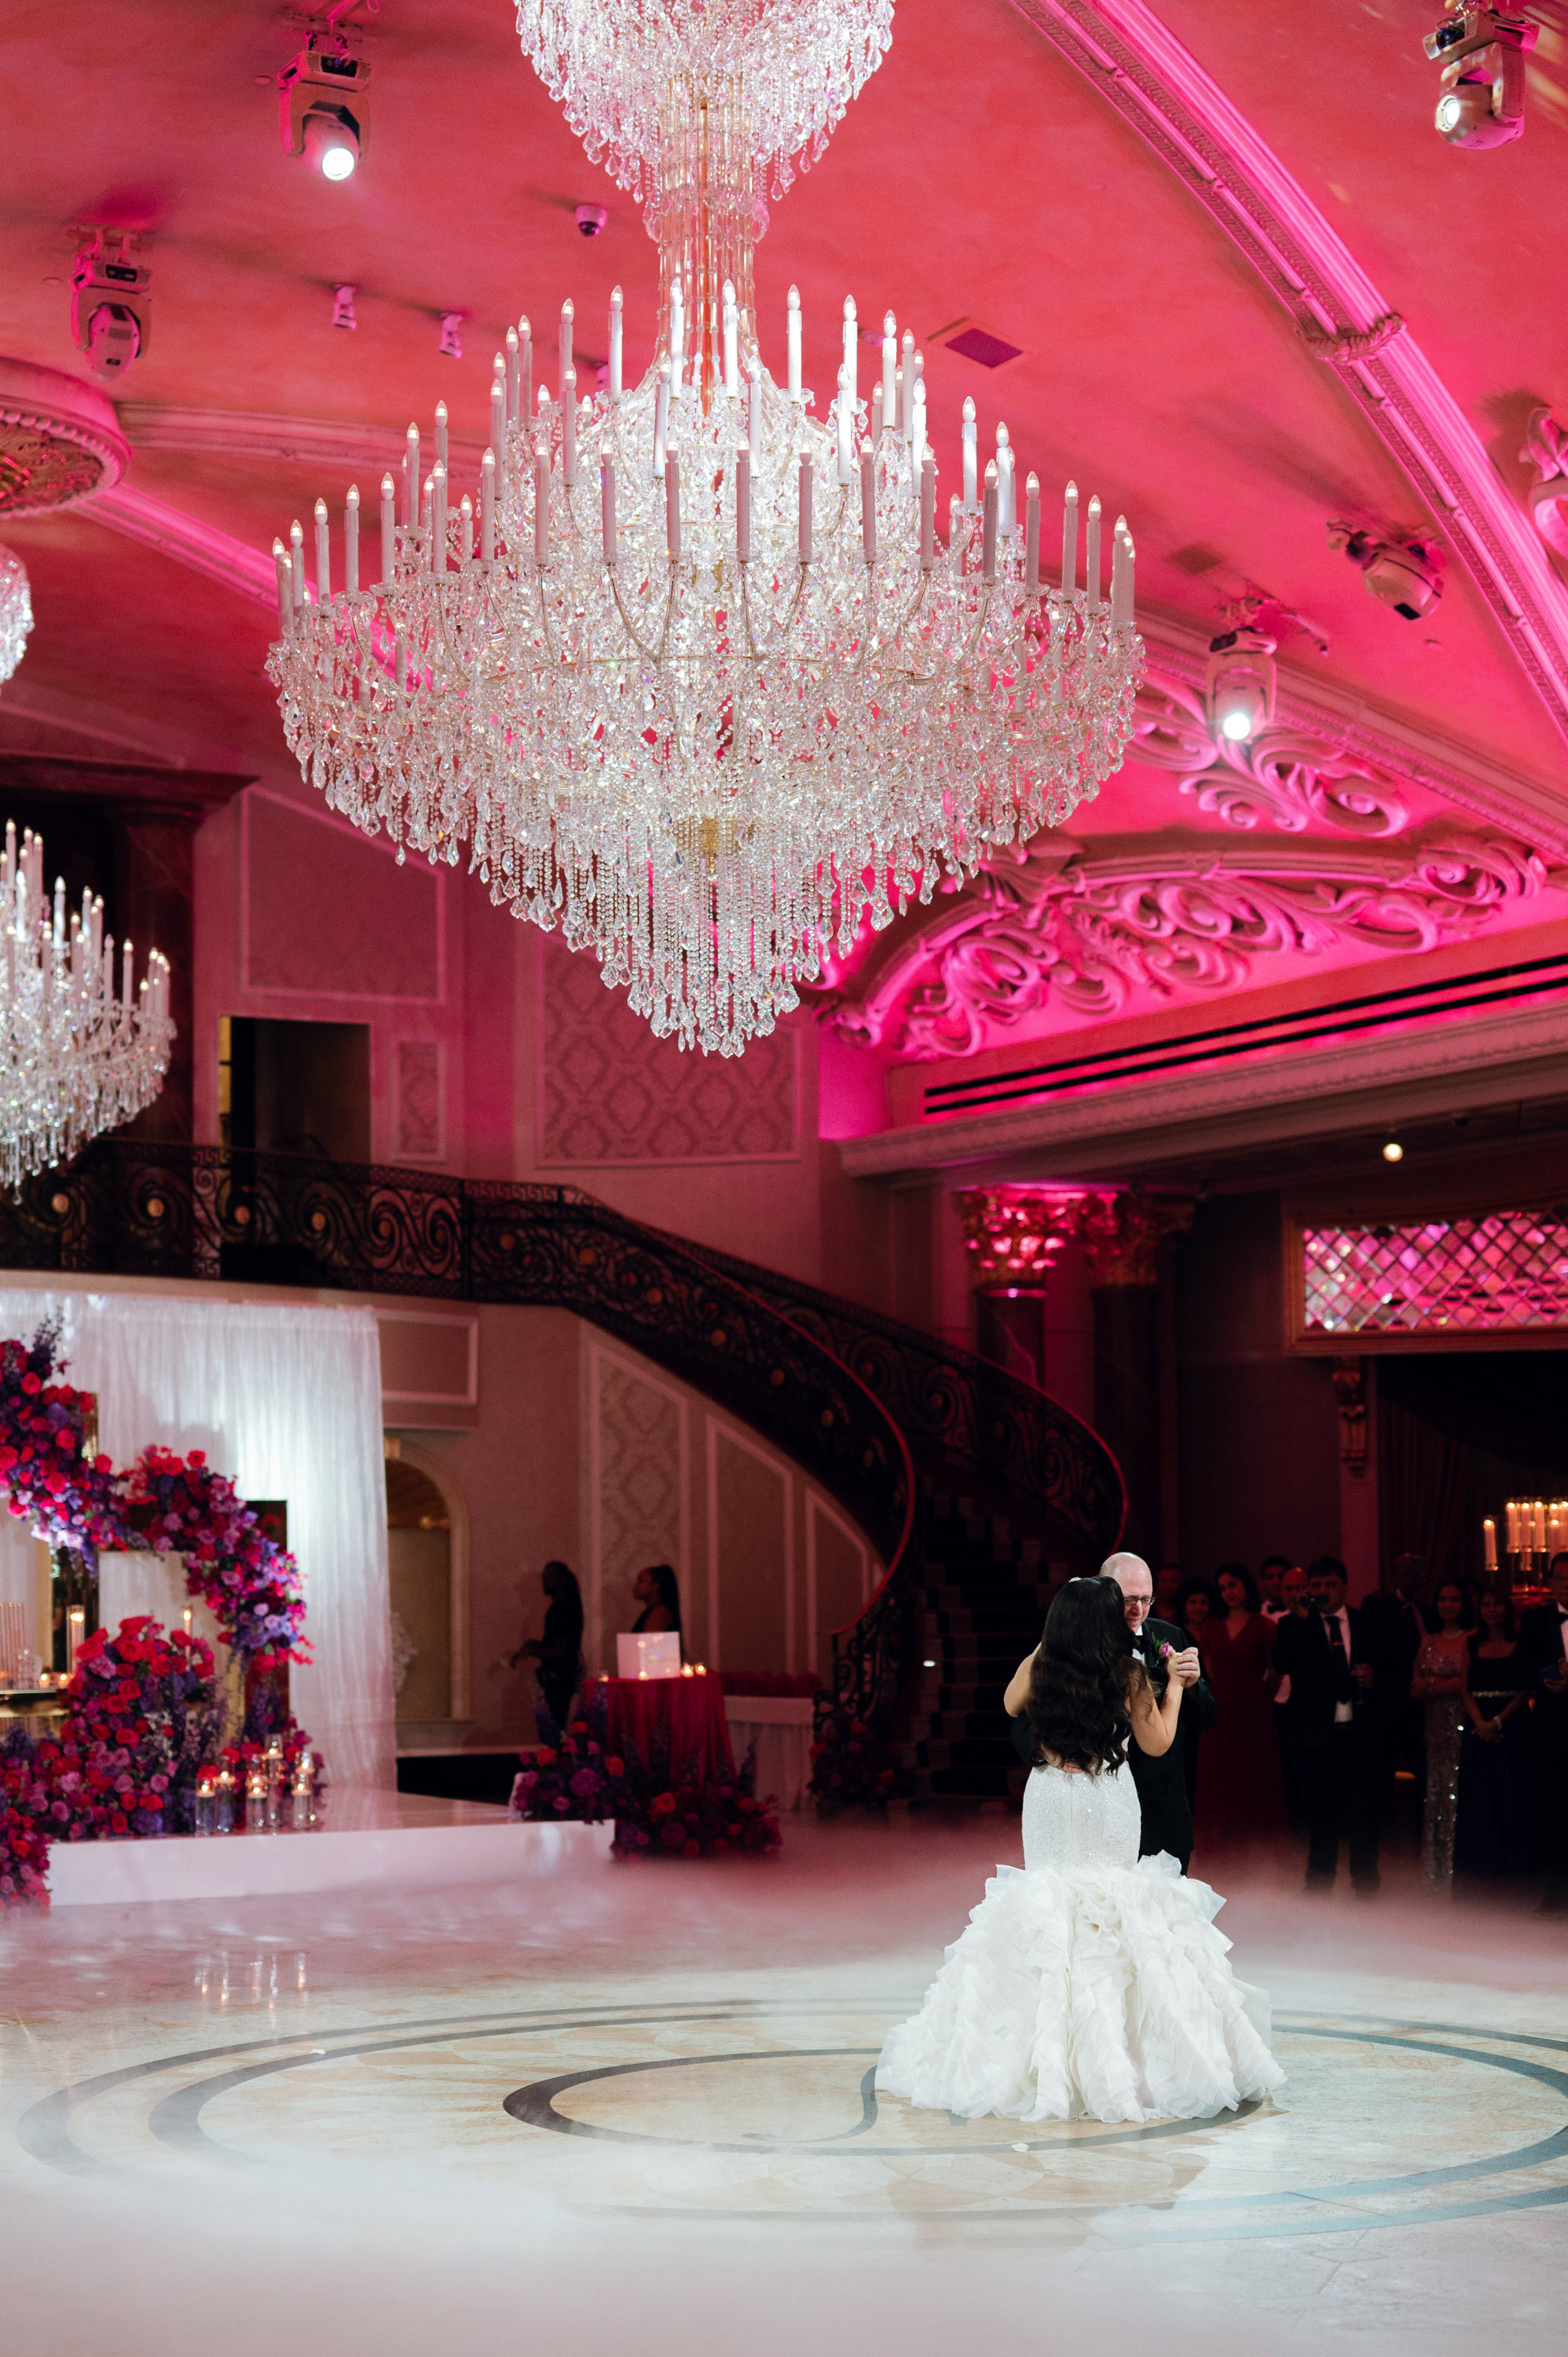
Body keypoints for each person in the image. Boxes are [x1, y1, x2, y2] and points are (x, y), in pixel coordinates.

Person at [877, 1577, 1284, 2124]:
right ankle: (1112, 2059)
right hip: (1107, 1799)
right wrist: (1178, 1688)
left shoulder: (1041, 1669)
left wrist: (1049, 1644)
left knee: (1047, 1904)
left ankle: (1034, 2058)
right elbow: (1158, 1742)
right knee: (1109, 1912)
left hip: (1048, 1800)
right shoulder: (1130, 1673)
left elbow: (1007, 1702)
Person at [1271, 1555, 1387, 1893]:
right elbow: (1280, 1663)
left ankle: (1366, 1882)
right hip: (1314, 1736)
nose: (1322, 1592)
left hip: (1359, 1731)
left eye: (1329, 1585)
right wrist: (1304, 1619)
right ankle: (1319, 1884)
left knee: (1363, 1812)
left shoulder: (1367, 1623)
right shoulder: (1293, 1625)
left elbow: (1391, 1668)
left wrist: (1374, 1677)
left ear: (1345, 1587)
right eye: (1316, 1586)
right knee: (1320, 1814)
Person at [1093, 1552, 1216, 1870]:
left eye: (1147, 1599)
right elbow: (1028, 1724)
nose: (1139, 1611)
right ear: (1103, 1592)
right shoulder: (1078, 1641)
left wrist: (1191, 1685)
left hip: (1165, 1815)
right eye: (1129, 1600)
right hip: (1101, 1812)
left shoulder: (1170, 1636)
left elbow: (1206, 1719)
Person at [1195, 1564, 1288, 1849]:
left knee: (1255, 1770)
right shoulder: (1210, 1626)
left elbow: (1276, 1669)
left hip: (1255, 1705)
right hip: (1220, 1704)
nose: (1228, 1592)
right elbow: (1208, 1668)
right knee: (1220, 1771)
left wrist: (1258, 1694)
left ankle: (1259, 1842)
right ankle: (1222, 1841)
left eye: (1233, 1585)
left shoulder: (1265, 1626)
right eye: (1222, 1588)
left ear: (1246, 1585)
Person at [1454, 1589, 1536, 1882]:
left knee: (1513, 1793)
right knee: (1481, 1797)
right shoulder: (1471, 1642)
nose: (1492, 1610)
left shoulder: (1522, 1641)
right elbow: (1464, 1688)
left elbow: (1528, 1688)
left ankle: (1514, 1871)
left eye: (1497, 1604)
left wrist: (1498, 1722)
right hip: (1478, 1725)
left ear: (1507, 1609)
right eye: (1486, 1605)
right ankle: (1482, 1873)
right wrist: (1481, 1723)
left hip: (1513, 1723)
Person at [1410, 1578, 1473, 1886]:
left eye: (1455, 1599)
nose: (1448, 1604)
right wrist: (1442, 1686)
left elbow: (1468, 1684)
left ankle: (1464, 1863)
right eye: (1443, 1599)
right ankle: (1437, 1869)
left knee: (1465, 1789)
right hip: (1435, 1726)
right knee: (1437, 1793)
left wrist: (1434, 1683)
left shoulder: (1473, 1638)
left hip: (1467, 1721)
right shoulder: (1428, 1641)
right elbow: (1414, 1688)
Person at [1519, 1551, 1568, 1910]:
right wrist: (1550, 1676)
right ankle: (1555, 1889)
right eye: (1561, 1578)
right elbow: (1522, 1667)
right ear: (1550, 1583)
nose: (1566, 1584)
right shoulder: (1536, 1621)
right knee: (1553, 1810)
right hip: (1552, 1730)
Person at [507, 1560, 584, 1734]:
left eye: (549, 1576)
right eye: (543, 1577)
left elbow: (562, 1650)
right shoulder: (562, 1608)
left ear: (562, 1579)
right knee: (553, 1732)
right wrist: (535, 1646)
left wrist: (532, 1650)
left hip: (560, 1681)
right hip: (559, 1679)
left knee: (554, 1734)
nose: (545, 1581)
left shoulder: (563, 1609)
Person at [1268, 1562, 1310, 1833]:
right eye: (1289, 1589)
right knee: (1287, 1772)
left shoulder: (1318, 1620)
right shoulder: (1285, 1623)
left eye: (1300, 1587)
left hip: (1311, 1706)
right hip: (1281, 1705)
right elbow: (1280, 1663)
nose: (1294, 1593)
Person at [1174, 1580, 1218, 1818]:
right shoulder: (1176, 1635)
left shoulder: (1218, 1630)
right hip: (1187, 1708)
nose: (1199, 1607)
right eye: (1193, 1602)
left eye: (1203, 1602)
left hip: (1216, 1701)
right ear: (1184, 1606)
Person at [631, 1562, 682, 1641]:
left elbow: (649, 1649)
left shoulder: (659, 1613)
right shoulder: (653, 1611)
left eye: (640, 1581)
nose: (635, 1586)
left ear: (655, 1586)